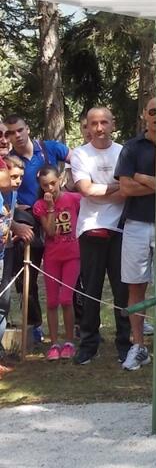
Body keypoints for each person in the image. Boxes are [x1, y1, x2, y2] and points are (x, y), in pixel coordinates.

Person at [70, 107, 130, 365]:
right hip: (90, 227)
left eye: (104, 122)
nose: (99, 128)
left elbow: (128, 191)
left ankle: (125, 344)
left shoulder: (124, 152)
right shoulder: (80, 154)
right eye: (94, 123)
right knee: (91, 289)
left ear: (113, 124)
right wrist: (116, 188)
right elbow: (85, 190)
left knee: (122, 289)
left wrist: (104, 190)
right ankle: (88, 344)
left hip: (121, 228)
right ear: (87, 126)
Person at [4, 114, 70, 342]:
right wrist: (15, 209)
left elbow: (78, 159)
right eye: (11, 132)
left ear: (28, 128)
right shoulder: (9, 160)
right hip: (27, 221)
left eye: (20, 130)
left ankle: (78, 324)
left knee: (70, 269)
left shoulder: (48, 148)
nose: (17, 135)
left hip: (56, 216)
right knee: (26, 275)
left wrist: (69, 186)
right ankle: (34, 325)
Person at [114, 97, 156, 371]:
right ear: (144, 115)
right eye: (152, 111)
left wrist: (141, 177)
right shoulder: (131, 147)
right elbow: (125, 188)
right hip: (136, 224)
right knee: (135, 285)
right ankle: (139, 345)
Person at [32, 166, 81, 360]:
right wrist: (51, 207)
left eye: (53, 183)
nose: (50, 188)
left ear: (60, 180)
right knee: (52, 301)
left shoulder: (73, 199)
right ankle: (54, 343)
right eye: (45, 185)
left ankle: (69, 341)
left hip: (72, 256)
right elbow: (50, 231)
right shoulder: (39, 206)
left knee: (66, 299)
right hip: (52, 257)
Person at [0, 156, 22, 376]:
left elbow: (7, 215)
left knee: (2, 305)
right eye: (13, 175)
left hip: (4, 251)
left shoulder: (11, 193)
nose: (16, 181)